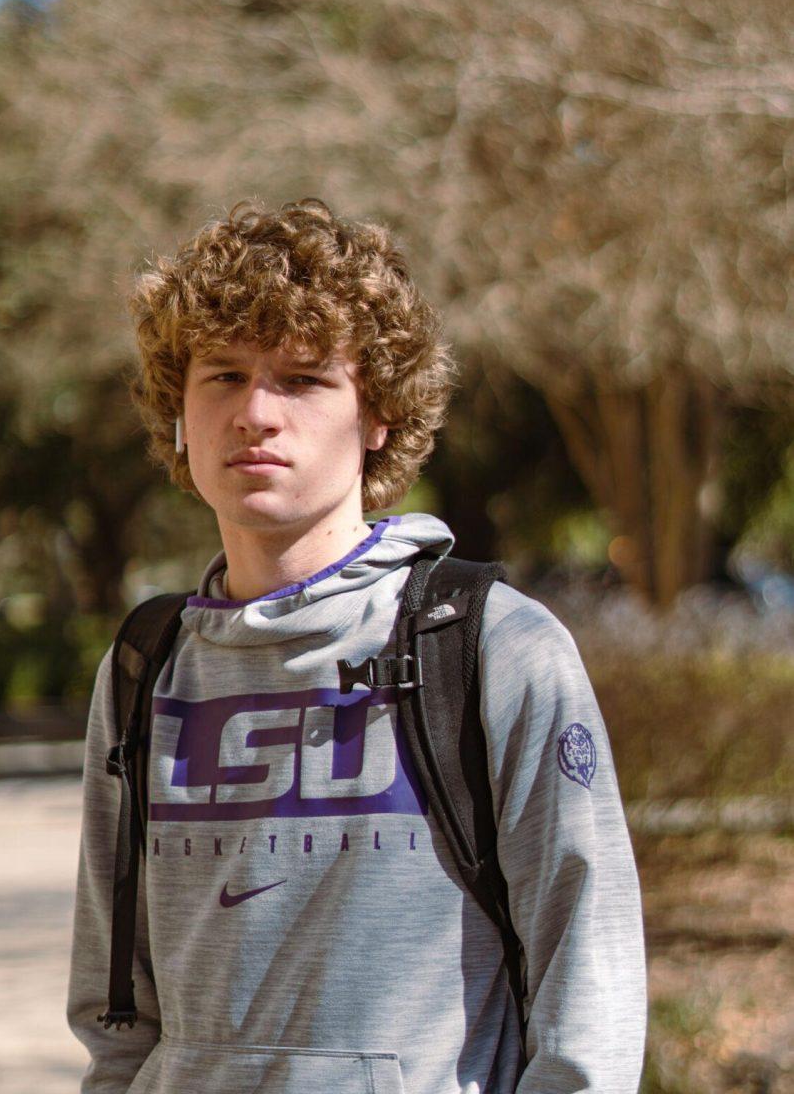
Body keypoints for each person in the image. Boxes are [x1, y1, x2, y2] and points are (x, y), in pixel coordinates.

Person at [66, 197, 647, 1093]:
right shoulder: (147, 665)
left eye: (302, 379)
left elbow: (590, 978)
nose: (256, 413)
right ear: (178, 411)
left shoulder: (492, 644)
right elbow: (117, 1009)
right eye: (221, 374)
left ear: (377, 414)